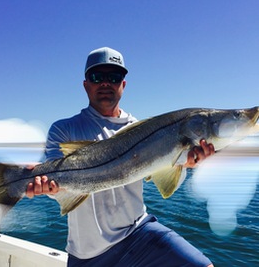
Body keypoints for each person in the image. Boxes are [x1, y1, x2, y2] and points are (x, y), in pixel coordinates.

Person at [27, 47, 215, 267]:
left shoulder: (143, 129)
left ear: (123, 85)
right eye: (98, 77)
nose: (106, 83)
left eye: (114, 77)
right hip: (88, 252)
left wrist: (185, 163)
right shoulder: (64, 129)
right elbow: (60, 190)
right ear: (86, 84)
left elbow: (165, 180)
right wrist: (47, 187)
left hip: (139, 233)